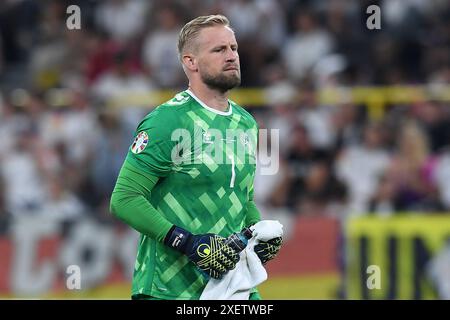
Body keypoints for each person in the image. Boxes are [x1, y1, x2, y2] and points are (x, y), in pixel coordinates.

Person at [110, 15, 282, 300]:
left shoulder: (246, 123)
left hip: (232, 286)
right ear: (191, 62)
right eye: (219, 50)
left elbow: (243, 199)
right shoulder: (168, 120)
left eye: (233, 48)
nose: (231, 56)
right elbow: (124, 199)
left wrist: (257, 235)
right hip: (168, 289)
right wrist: (188, 242)